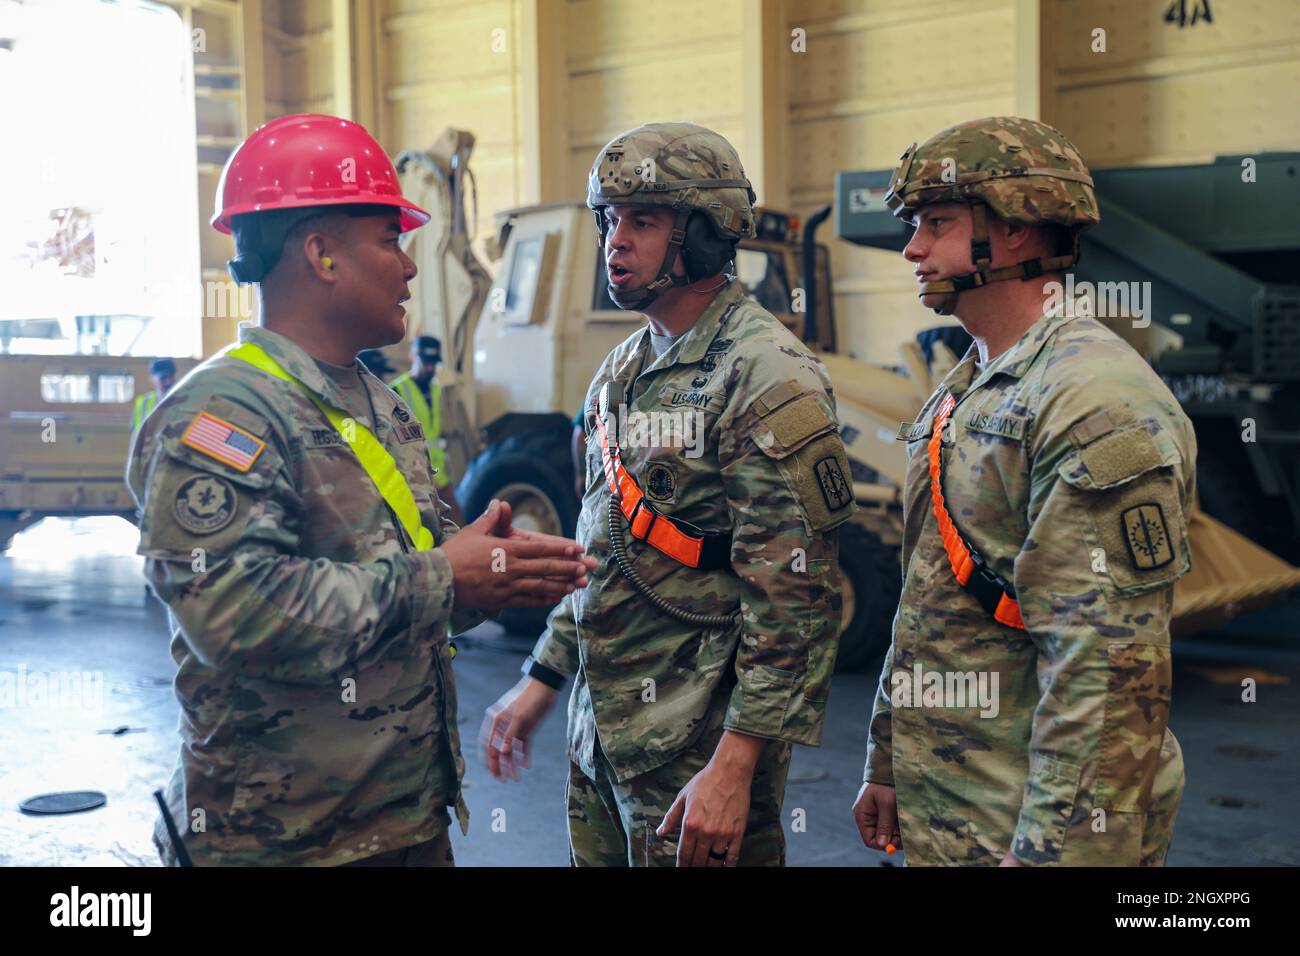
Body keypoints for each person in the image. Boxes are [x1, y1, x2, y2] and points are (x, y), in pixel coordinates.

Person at [126, 113, 595, 867]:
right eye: (390, 240)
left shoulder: (379, 402)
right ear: (322, 255)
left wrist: (489, 573)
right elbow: (236, 612)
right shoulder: (221, 414)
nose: (410, 268)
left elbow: (418, 580)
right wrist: (447, 574)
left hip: (402, 821)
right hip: (284, 841)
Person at [481, 122, 854, 867]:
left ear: (708, 237)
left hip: (699, 753)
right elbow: (600, 549)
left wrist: (737, 763)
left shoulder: (767, 375)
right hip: (603, 738)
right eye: (609, 222)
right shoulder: (619, 372)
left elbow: (795, 601)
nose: (615, 243)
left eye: (643, 222)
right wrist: (543, 678)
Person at [850, 116, 1194, 866]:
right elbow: (926, 601)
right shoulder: (962, 390)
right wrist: (889, 759)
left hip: (1031, 823)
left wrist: (1052, 853)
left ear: (1015, 231)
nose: (912, 248)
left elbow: (1106, 672)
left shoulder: (1093, 401)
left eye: (936, 223)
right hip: (952, 800)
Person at [389, 336, 463, 523]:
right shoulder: (396, 390)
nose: (430, 368)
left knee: (457, 523)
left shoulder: (436, 389)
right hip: (415, 477)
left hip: (440, 475)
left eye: (433, 363)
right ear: (413, 355)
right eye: (426, 362)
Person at [131, 358, 178, 431]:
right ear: (152, 379)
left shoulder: (185, 401)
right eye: (163, 378)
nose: (168, 382)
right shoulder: (143, 402)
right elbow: (135, 434)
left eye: (171, 377)